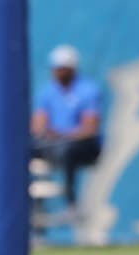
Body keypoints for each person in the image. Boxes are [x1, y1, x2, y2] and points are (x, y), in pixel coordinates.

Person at [31, 43, 103, 209]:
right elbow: (38, 123)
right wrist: (44, 132)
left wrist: (62, 135)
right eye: (55, 68)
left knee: (67, 150)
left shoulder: (88, 90)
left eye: (62, 69)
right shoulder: (47, 91)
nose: (58, 73)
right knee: (27, 149)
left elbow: (90, 128)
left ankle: (71, 201)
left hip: (83, 146)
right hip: (55, 144)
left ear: (72, 69)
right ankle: (34, 205)